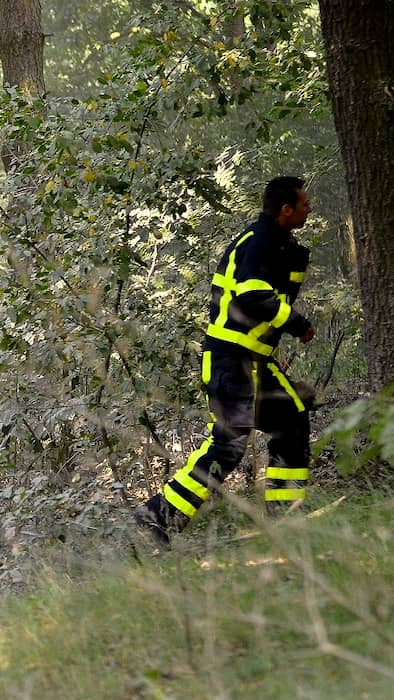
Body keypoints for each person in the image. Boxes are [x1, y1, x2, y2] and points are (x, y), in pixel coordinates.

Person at [134, 176, 316, 545]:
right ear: (286, 210)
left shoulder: (278, 243)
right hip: (231, 361)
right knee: (229, 445)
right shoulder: (260, 242)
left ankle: (288, 518)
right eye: (303, 204)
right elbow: (253, 297)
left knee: (292, 422)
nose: (308, 209)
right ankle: (156, 518)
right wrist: (298, 324)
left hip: (253, 362)